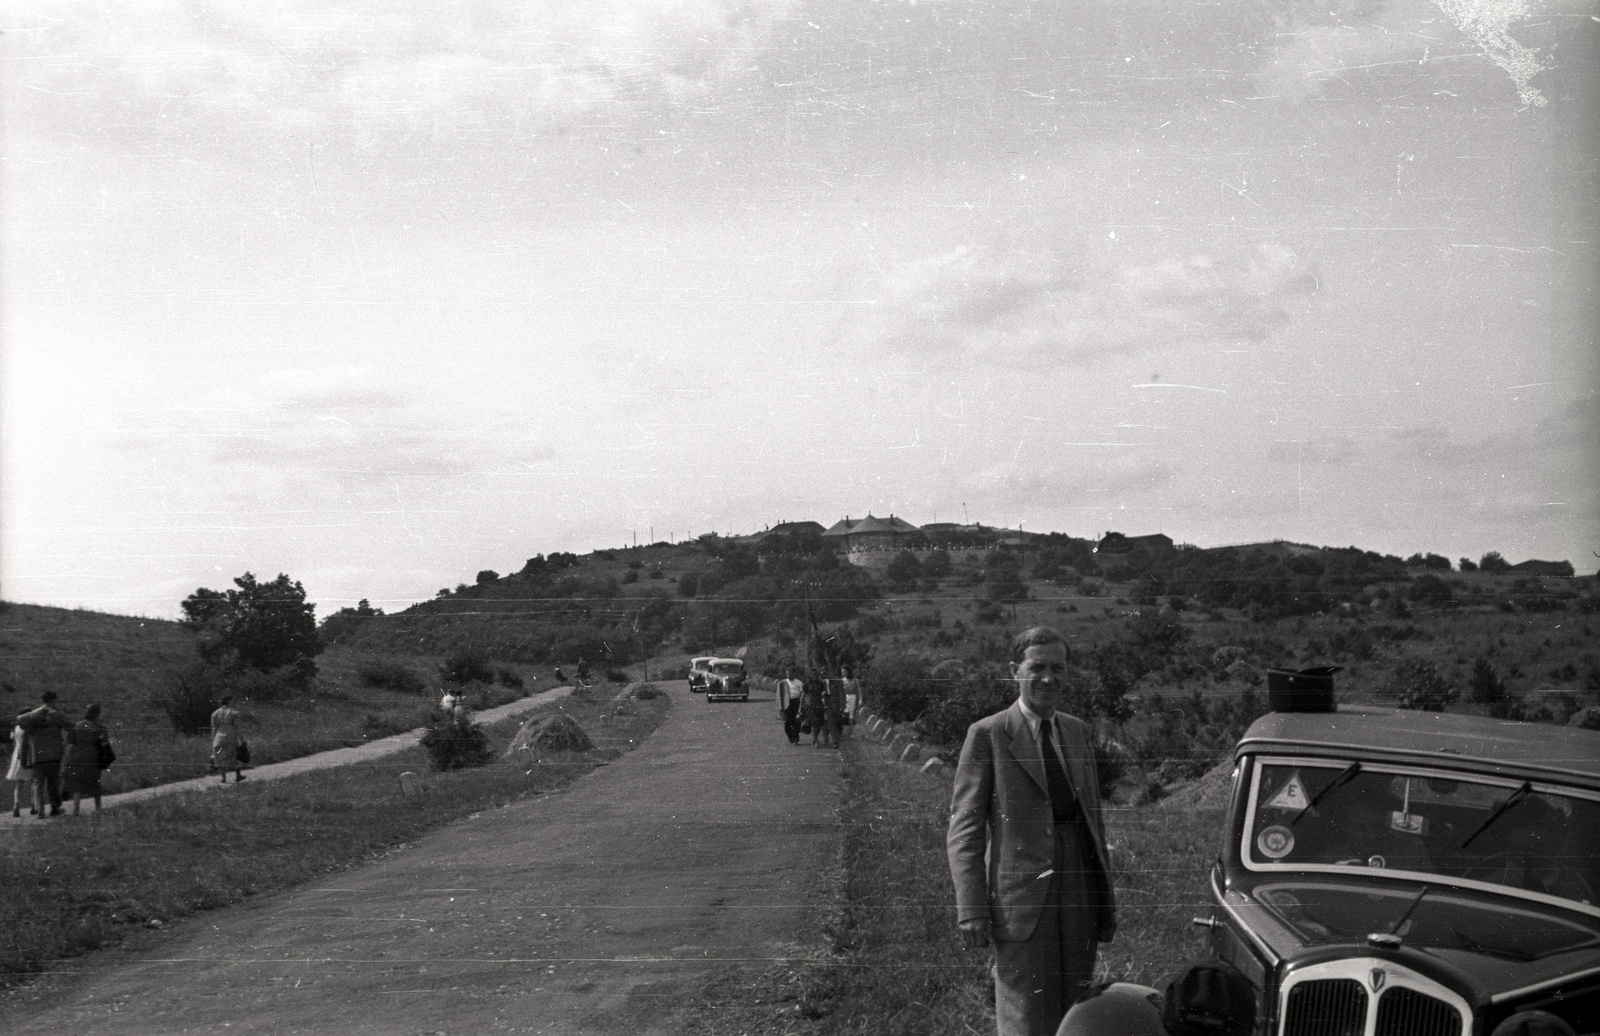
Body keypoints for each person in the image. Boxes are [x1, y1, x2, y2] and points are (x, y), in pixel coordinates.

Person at [947, 627, 1116, 1036]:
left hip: (1078, 886)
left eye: (1058, 668)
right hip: (1021, 896)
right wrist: (971, 907)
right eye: (1036, 667)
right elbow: (965, 828)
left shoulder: (1076, 731)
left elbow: (1093, 818)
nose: (1048, 678)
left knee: (1077, 1009)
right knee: (1025, 1011)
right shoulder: (988, 734)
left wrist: (1102, 896)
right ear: (1014, 671)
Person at [18, 691, 70, 818]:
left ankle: (40, 811)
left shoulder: (32, 715)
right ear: (53, 700)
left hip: (36, 756)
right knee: (53, 783)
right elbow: (70, 727)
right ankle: (54, 808)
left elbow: (22, 726)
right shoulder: (57, 715)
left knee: (38, 784)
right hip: (53, 755)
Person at [60, 703, 111, 815]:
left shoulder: (77, 725)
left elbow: (70, 742)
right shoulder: (101, 728)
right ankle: (98, 808)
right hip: (93, 755)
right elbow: (104, 744)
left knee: (77, 782)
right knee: (95, 781)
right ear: (97, 714)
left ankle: (76, 809)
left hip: (76, 754)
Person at [210, 695, 247, 783]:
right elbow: (237, 727)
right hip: (231, 735)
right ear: (229, 702)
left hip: (219, 736)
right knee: (234, 755)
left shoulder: (215, 714)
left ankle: (223, 778)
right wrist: (242, 740)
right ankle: (238, 776)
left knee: (220, 757)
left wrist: (213, 740)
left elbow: (214, 728)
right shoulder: (234, 713)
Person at [6, 715, 35, 817]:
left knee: (19, 783)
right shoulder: (29, 728)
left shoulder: (16, 728)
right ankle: (33, 805)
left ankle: (16, 805)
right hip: (28, 755)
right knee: (33, 782)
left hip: (18, 755)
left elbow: (13, 740)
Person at [800, 669, 826, 748]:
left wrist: (824, 695)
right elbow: (803, 696)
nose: (813, 675)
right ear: (809, 675)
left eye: (815, 674)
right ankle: (816, 741)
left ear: (817, 675)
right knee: (813, 724)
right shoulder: (807, 684)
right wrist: (800, 708)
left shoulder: (821, 684)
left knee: (818, 724)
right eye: (811, 674)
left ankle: (814, 739)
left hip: (818, 705)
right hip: (810, 706)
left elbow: (823, 693)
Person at [776, 668, 803, 745]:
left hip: (796, 702)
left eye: (790, 673)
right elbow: (779, 694)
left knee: (797, 721)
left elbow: (802, 694)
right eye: (787, 673)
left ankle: (796, 739)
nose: (788, 675)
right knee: (787, 723)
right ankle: (791, 737)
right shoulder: (783, 683)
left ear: (794, 673)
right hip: (787, 703)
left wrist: (801, 705)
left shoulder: (799, 683)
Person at [821, 676, 845, 749]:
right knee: (830, 723)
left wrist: (842, 705)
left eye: (826, 672)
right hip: (828, 704)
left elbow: (842, 693)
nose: (824, 674)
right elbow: (821, 692)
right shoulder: (824, 682)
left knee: (837, 722)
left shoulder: (838, 681)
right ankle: (835, 742)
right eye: (823, 673)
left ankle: (838, 739)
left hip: (836, 705)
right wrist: (823, 694)